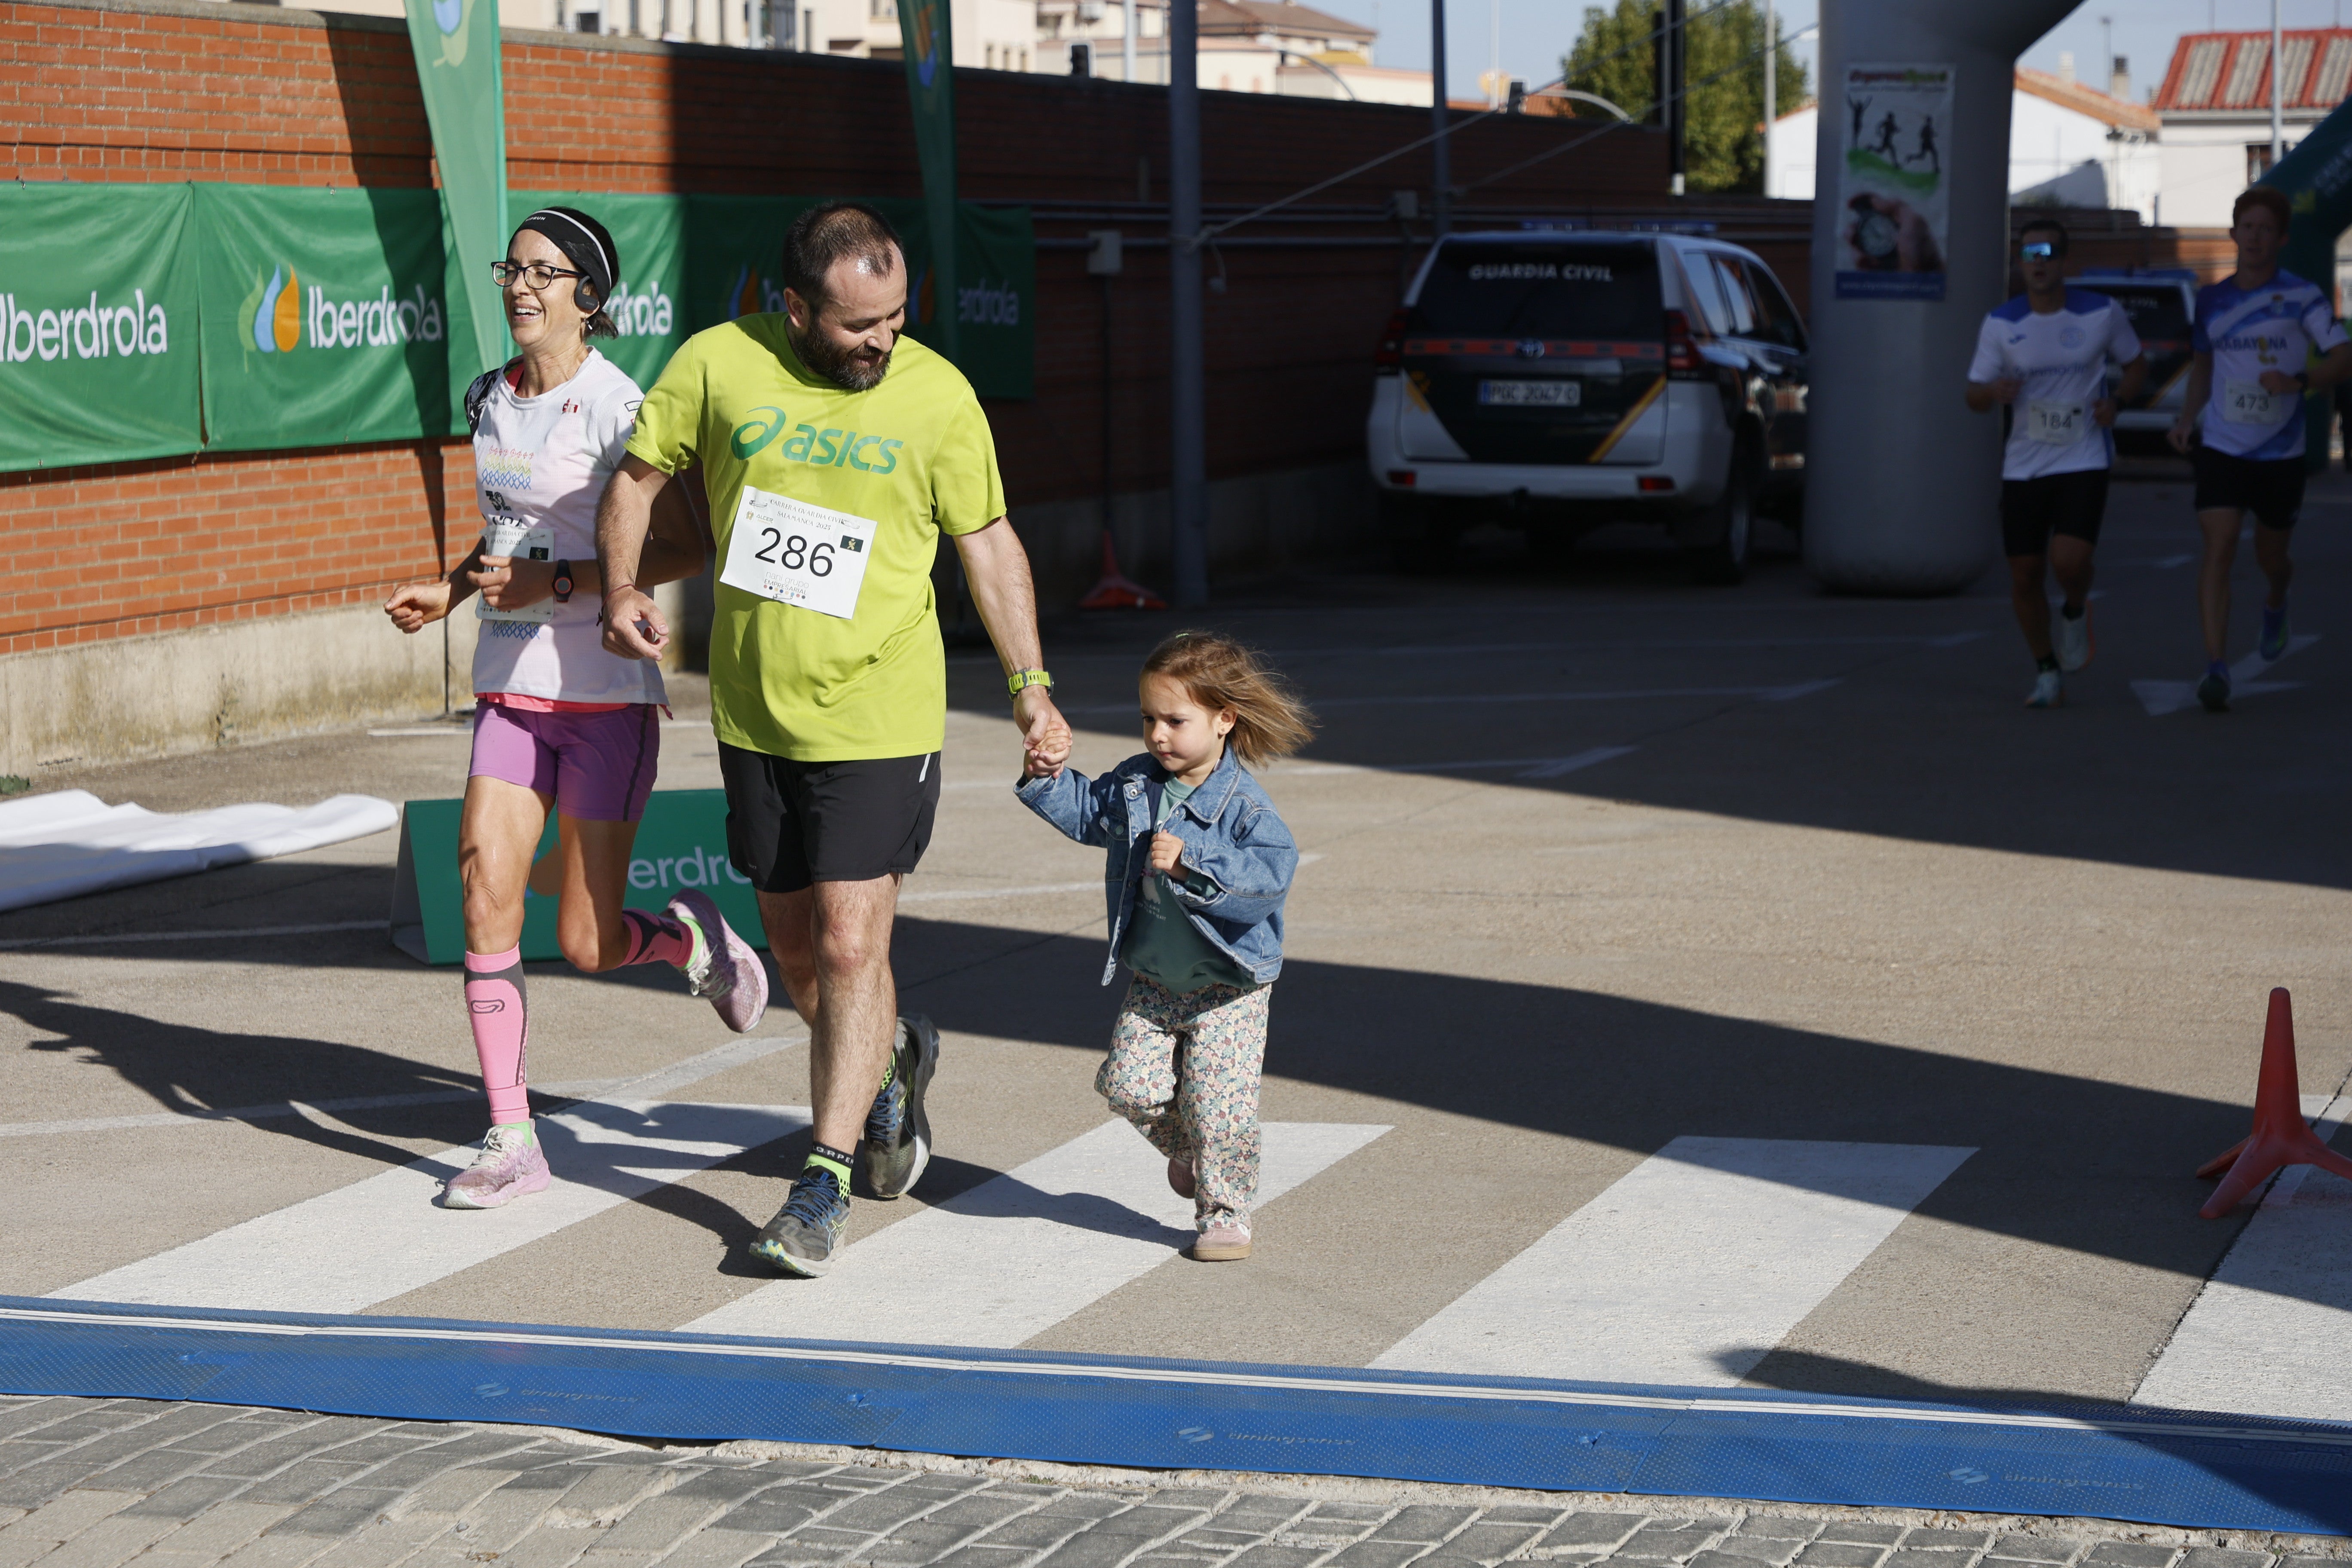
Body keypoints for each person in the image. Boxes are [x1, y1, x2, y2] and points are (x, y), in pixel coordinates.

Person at [595, 201, 1072, 1277]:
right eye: (858, 324)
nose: (882, 341)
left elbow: (988, 543)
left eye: (897, 318)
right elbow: (635, 477)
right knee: (801, 953)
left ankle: (823, 1179)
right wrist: (623, 585)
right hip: (756, 712)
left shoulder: (937, 395)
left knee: (856, 946)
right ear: (792, 305)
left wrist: (1030, 685)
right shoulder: (719, 365)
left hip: (881, 710)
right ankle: (894, 1057)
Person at [384, 207, 770, 1211]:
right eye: (511, 268)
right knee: (484, 883)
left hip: (602, 697)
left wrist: (557, 587)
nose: (518, 287)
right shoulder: (489, 399)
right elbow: (506, 538)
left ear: (587, 299)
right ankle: (512, 1136)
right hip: (510, 689)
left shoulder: (620, 407)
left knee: (592, 942)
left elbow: (683, 549)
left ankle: (695, 942)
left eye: (542, 273)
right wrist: (453, 588)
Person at [1016, 631, 1311, 1263]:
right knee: (1126, 1085)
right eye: (1149, 718)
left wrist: (1190, 862)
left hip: (1227, 986)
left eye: (1176, 721)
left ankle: (1226, 1213)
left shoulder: (1246, 811)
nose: (1158, 735)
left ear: (1225, 720)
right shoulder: (1136, 784)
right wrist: (1047, 777)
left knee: (1220, 1107)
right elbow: (1090, 813)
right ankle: (1189, 1150)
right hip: (1156, 978)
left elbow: (1269, 881)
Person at [2167, 186, 2352, 712]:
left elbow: (2344, 356)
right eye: (2246, 227)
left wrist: (2304, 380)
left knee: (2272, 557)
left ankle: (2276, 602)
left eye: (2265, 229)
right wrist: (2186, 420)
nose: (2254, 237)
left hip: (2281, 453)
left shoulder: (2303, 297)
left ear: (2282, 239)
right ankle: (2217, 668)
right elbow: (2203, 367)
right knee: (2219, 546)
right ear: (2233, 235)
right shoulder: (2212, 300)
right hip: (2224, 447)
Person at [1964, 218, 2147, 708]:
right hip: (2023, 465)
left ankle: (2074, 603)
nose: (2039, 261)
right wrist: (1992, 392)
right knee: (2024, 575)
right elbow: (1972, 395)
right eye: (2029, 253)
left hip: (2082, 456)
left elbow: (2136, 365)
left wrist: (2119, 404)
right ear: (2020, 263)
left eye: (2048, 253)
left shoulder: (2101, 313)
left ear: (2065, 261)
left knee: (2068, 561)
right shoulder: (2001, 324)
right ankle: (2047, 671)